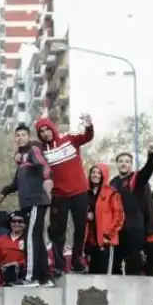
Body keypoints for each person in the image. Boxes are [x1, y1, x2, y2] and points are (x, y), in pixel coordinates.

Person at [34, 116, 94, 274]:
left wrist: (88, 125)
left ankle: (77, 260)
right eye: (42, 132)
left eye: (47, 129)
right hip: (58, 196)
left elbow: (87, 137)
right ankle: (59, 264)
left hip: (79, 192)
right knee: (56, 230)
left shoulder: (69, 139)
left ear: (52, 128)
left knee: (81, 228)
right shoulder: (41, 150)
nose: (46, 133)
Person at [0, 140, 53, 288]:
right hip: (27, 204)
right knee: (37, 239)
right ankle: (44, 277)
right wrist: (4, 192)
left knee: (29, 237)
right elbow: (16, 184)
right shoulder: (22, 166)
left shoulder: (33, 150)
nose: (14, 156)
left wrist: (47, 178)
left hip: (36, 201)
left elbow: (43, 163)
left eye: (22, 135)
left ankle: (31, 277)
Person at [110, 145, 153, 275]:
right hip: (117, 231)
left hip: (134, 229)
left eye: (126, 161)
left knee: (133, 265)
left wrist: (152, 156)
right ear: (117, 164)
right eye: (121, 161)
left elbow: (147, 171)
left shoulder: (135, 179)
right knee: (114, 266)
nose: (123, 164)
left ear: (131, 164)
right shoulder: (112, 183)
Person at [85, 164, 124, 275]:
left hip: (105, 241)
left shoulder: (111, 193)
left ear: (103, 175)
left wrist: (108, 235)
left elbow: (119, 216)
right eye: (93, 172)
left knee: (105, 275)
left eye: (98, 173)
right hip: (90, 242)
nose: (95, 175)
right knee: (92, 275)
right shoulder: (86, 193)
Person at [0, 212, 27, 285]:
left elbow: (32, 260)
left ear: (24, 225)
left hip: (21, 272)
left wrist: (18, 264)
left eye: (20, 221)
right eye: (13, 221)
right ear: (10, 223)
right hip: (4, 272)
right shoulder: (1, 239)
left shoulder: (28, 240)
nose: (16, 224)